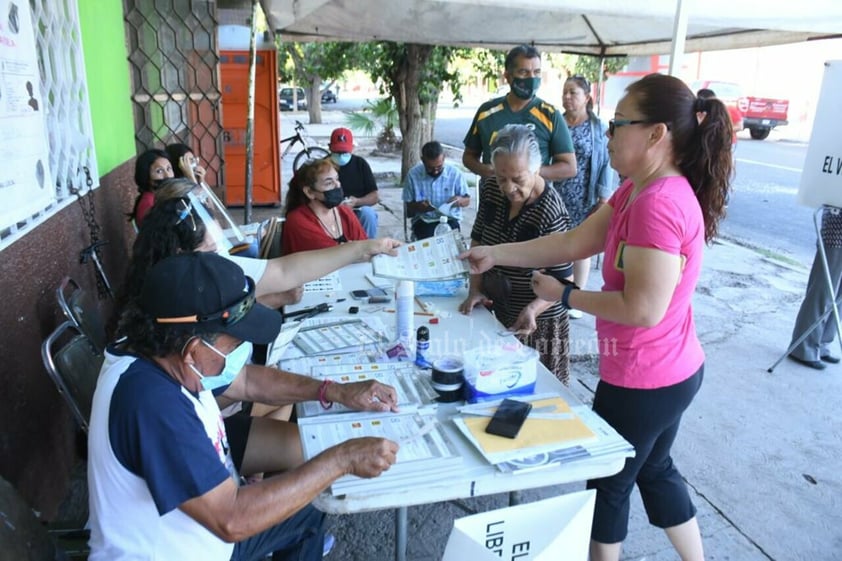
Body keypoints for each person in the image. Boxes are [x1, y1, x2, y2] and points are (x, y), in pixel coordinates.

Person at [459, 73, 733, 561]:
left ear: (656, 135)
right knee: (654, 469)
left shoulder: (658, 203)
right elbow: (570, 242)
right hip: (673, 368)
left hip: (645, 378)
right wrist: (495, 254)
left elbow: (643, 309)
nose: (606, 135)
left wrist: (564, 294)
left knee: (608, 485)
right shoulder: (635, 191)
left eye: (617, 124)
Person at [88, 251, 399, 560]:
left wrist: (334, 391)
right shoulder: (152, 404)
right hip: (192, 546)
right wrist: (341, 459)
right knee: (310, 486)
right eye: (234, 344)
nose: (241, 353)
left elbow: (249, 381)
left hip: (206, 530)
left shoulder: (157, 351)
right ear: (193, 350)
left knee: (305, 512)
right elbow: (231, 518)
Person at [457, 124, 573, 384]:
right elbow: (478, 238)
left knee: (539, 389)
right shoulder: (490, 190)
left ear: (536, 168)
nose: (508, 188)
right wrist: (476, 289)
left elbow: (564, 279)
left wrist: (533, 308)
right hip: (498, 309)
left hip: (537, 321)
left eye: (518, 179)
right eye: (501, 177)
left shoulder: (550, 211)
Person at [462, 44, 576, 189]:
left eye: (537, 72)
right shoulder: (486, 113)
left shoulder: (550, 115)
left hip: (534, 205)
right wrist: (486, 171)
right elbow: (468, 157)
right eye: (524, 72)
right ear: (508, 77)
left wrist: (530, 173)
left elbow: (569, 167)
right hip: (492, 200)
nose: (532, 78)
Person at [555, 75, 617, 318]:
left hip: (584, 197)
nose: (567, 97)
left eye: (573, 93)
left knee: (581, 248)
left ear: (587, 97)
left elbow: (606, 164)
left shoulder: (599, 128)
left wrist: (603, 197)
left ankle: (576, 297)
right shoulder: (555, 123)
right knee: (555, 243)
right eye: (565, 92)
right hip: (555, 193)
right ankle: (553, 292)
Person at [788, 207, 842, 370]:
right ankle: (804, 347)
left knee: (838, 295)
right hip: (837, 224)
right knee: (823, 288)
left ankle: (822, 343)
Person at [282, 158, 368, 254]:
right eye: (329, 183)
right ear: (309, 192)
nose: (338, 185)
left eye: (337, 179)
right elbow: (330, 256)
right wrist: (354, 250)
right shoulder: (297, 220)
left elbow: (365, 247)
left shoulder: (344, 212)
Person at [402, 140, 470, 239]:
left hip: (450, 219)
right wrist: (419, 206)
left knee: (451, 241)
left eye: (439, 167)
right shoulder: (413, 175)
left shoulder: (455, 174)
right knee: (430, 239)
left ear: (444, 159)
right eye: (430, 168)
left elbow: (467, 200)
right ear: (423, 160)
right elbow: (408, 205)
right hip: (424, 220)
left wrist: (459, 200)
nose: (435, 171)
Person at [329, 127, 380, 238]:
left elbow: (374, 196)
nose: (341, 156)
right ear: (330, 148)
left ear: (352, 148)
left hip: (357, 210)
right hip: (330, 211)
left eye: (344, 152)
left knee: (368, 214)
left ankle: (367, 246)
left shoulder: (360, 164)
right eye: (337, 152)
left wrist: (357, 201)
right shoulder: (323, 167)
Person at [129, 148, 174, 229]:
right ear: (146, 176)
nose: (168, 176)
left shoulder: (163, 197)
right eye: (159, 171)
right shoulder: (149, 205)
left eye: (169, 169)